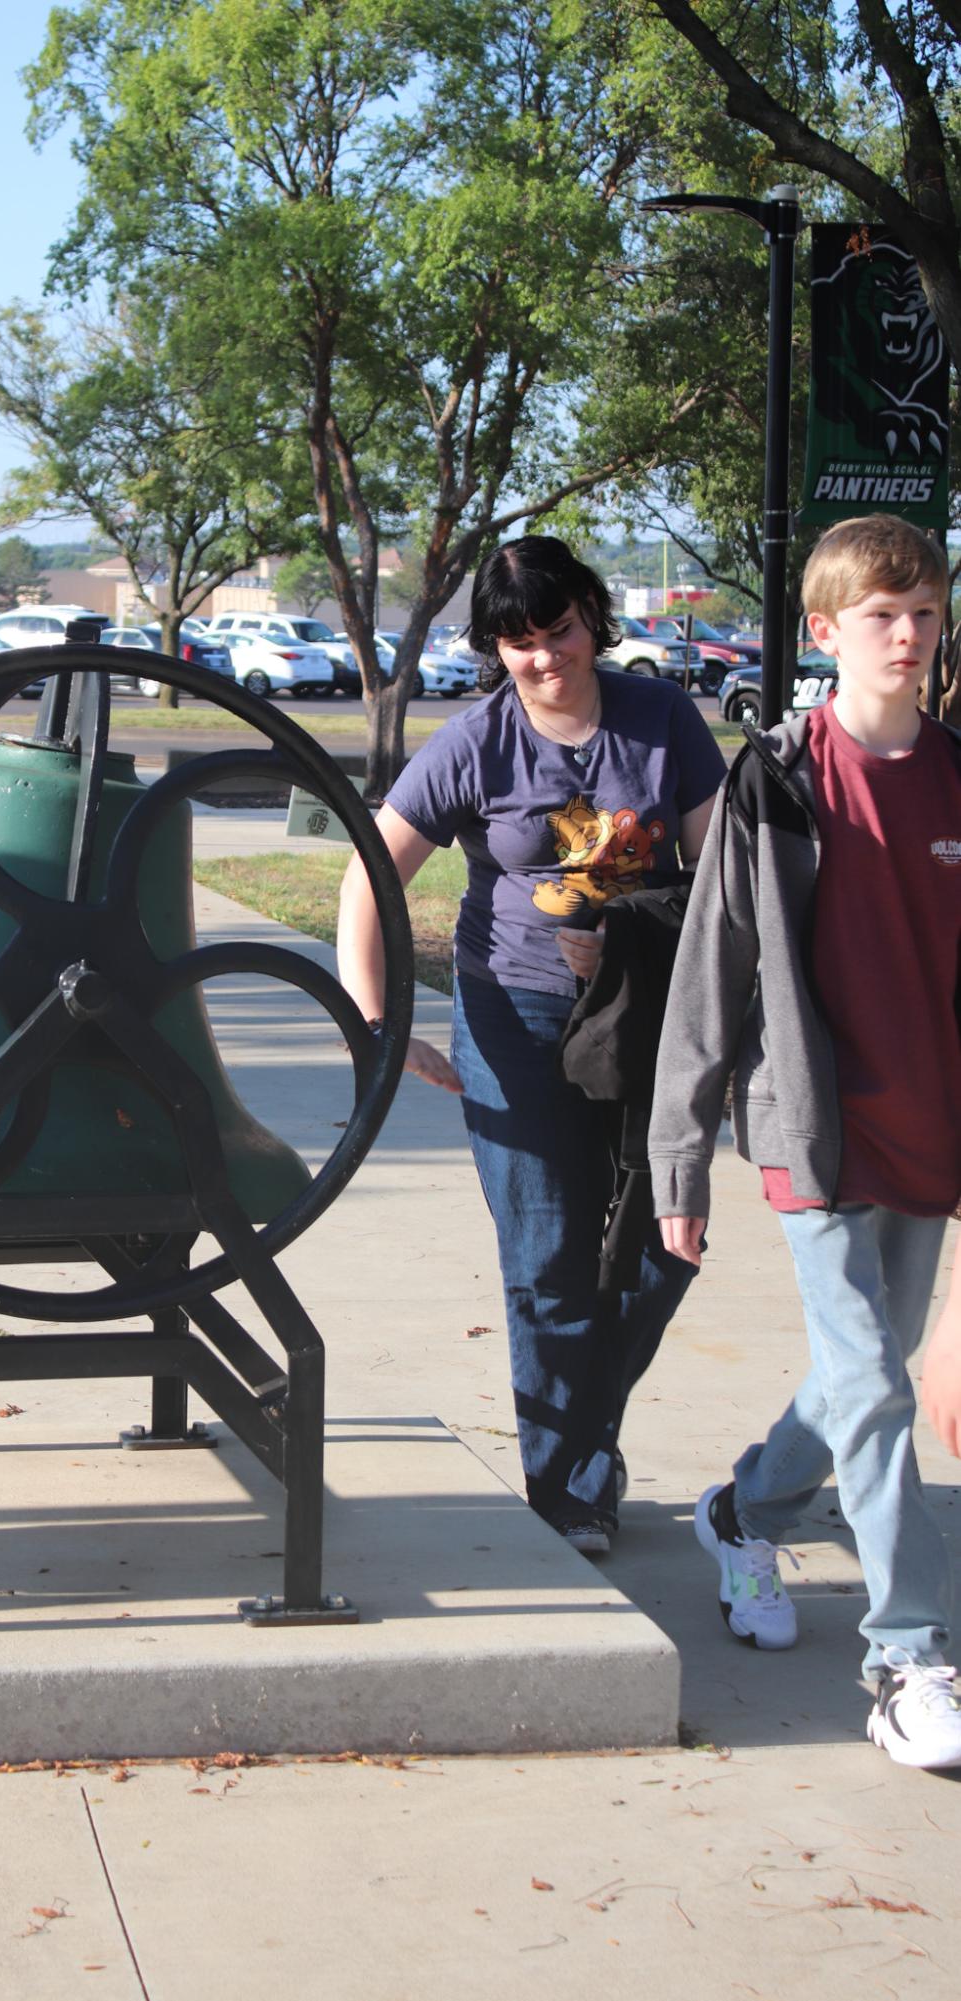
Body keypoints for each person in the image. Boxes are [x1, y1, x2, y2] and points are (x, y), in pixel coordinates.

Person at [338, 535, 726, 1551]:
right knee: (548, 1256)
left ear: (590, 619)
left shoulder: (659, 718)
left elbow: (726, 873)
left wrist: (656, 955)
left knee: (658, 1244)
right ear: (494, 649)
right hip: (512, 1019)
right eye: (517, 641)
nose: (542, 658)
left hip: (642, 1016)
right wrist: (378, 1024)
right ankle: (568, 1486)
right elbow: (367, 877)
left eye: (555, 632)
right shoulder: (475, 742)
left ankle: (582, 1434)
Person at [649, 513, 961, 1769]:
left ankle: (742, 1506)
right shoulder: (775, 779)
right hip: (812, 1133)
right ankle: (905, 1656)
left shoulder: (955, 772)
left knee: (856, 1376)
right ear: (823, 633)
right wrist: (679, 1162)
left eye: (924, 614)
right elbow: (707, 975)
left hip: (929, 1128)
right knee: (876, 1390)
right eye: (880, 615)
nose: (906, 635)